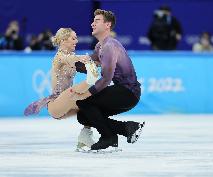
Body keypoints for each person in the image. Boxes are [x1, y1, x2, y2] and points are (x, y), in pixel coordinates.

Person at [72, 9, 145, 151]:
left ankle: (109, 137)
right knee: (83, 115)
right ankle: (126, 128)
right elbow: (89, 66)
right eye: (93, 21)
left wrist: (86, 93)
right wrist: (70, 64)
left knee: (84, 103)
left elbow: (106, 79)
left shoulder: (109, 46)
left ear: (107, 25)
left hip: (128, 92)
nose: (92, 24)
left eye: (97, 21)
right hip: (123, 92)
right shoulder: (100, 46)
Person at [24, 28, 98, 148]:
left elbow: (83, 65)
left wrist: (96, 63)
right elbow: (67, 59)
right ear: (63, 40)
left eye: (76, 38)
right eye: (73, 38)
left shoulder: (72, 56)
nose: (77, 41)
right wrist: (81, 58)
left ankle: (85, 135)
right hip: (56, 105)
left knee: (92, 102)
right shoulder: (59, 57)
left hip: (67, 103)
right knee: (78, 91)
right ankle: (90, 80)